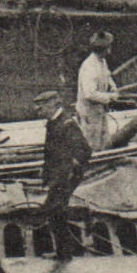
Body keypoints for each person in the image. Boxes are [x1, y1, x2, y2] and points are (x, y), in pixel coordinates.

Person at [33, 90, 91, 258]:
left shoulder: (66, 123)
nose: (38, 110)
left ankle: (64, 253)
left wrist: (71, 168)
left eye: (41, 106)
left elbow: (84, 150)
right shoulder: (53, 122)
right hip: (58, 176)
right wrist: (46, 170)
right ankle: (63, 251)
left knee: (55, 210)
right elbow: (51, 151)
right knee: (54, 211)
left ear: (53, 104)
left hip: (66, 177)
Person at [75, 31, 120, 151]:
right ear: (105, 48)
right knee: (91, 145)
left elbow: (107, 76)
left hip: (100, 111)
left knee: (104, 141)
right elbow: (89, 94)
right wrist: (109, 97)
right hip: (89, 114)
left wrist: (113, 87)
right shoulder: (89, 66)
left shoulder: (102, 62)